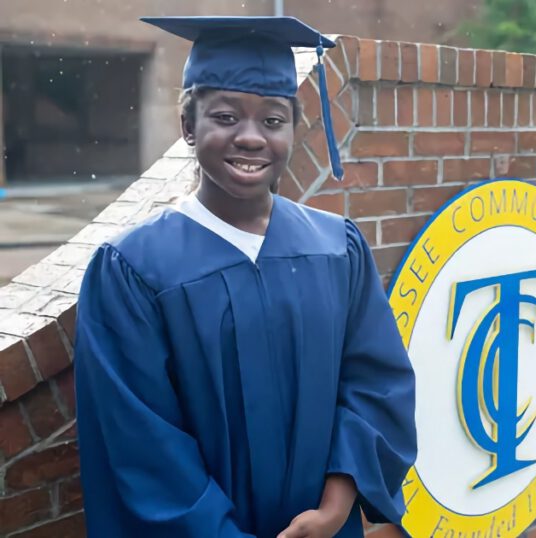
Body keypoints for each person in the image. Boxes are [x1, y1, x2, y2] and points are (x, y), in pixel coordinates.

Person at [73, 16, 417, 538]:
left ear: (293, 130)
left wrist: (333, 508)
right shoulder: (136, 269)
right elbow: (142, 447)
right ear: (188, 126)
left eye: (273, 120)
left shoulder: (336, 248)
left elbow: (375, 383)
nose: (252, 138)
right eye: (227, 116)